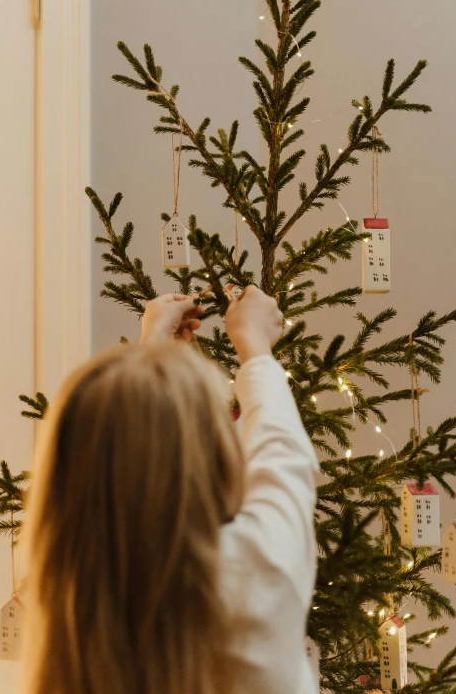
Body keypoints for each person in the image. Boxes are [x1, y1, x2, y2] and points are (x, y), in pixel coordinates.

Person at [21, 286, 319, 694]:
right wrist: (254, 347)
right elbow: (282, 455)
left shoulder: (71, 599)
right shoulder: (253, 573)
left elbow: (120, 461)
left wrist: (151, 357)